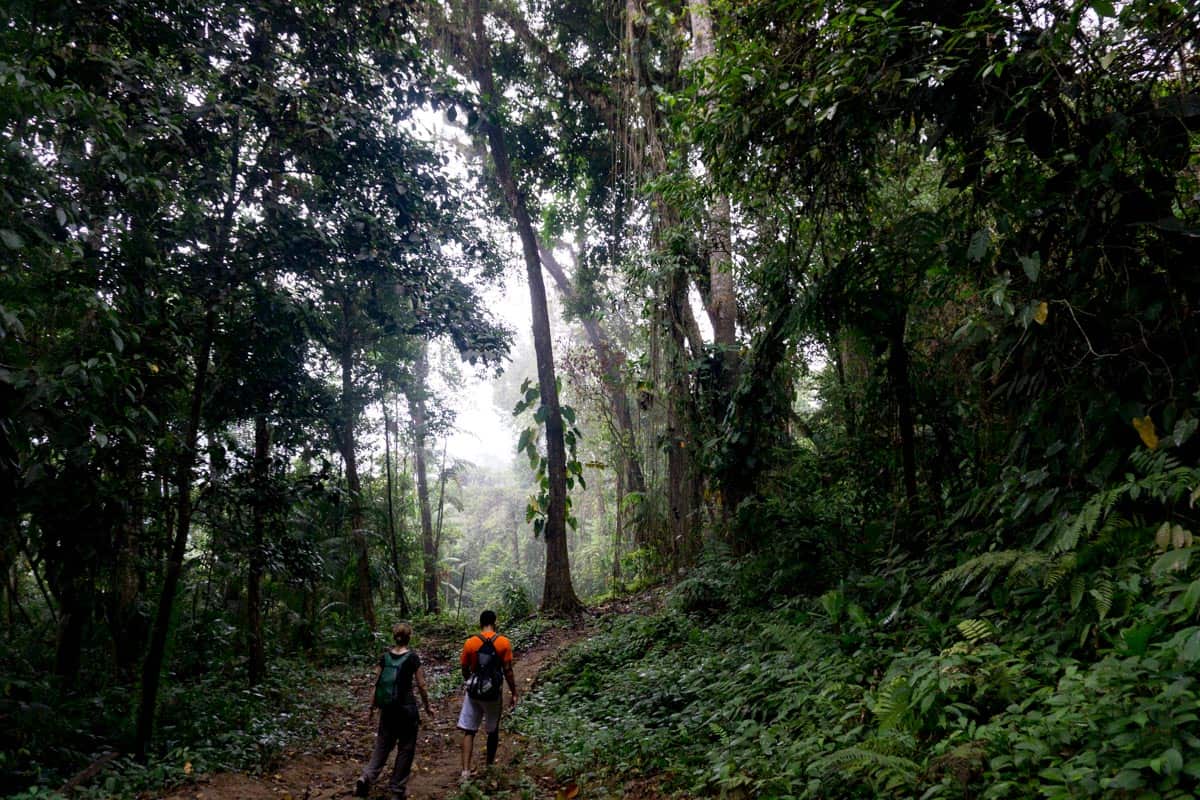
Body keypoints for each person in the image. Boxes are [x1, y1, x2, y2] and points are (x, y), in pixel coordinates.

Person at [355, 622, 432, 800]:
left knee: (382, 745)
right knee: (406, 748)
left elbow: (376, 684)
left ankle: (366, 776)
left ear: (394, 637)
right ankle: (396, 789)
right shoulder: (413, 658)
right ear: (409, 638)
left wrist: (371, 708)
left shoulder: (385, 657)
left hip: (387, 709)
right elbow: (421, 684)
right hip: (407, 709)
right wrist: (427, 706)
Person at [457, 609, 518, 781]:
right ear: (495, 622)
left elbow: (464, 668)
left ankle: (465, 772)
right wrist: (514, 692)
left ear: (480, 623)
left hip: (474, 692)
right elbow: (508, 670)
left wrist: (470, 682)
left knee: (469, 730)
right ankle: (489, 767)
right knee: (493, 731)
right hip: (493, 693)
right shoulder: (504, 643)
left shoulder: (470, 643)